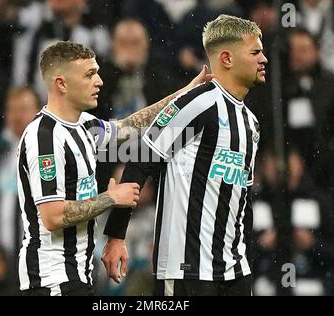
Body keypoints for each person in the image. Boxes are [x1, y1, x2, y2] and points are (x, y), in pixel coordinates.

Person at [17, 40, 212, 296]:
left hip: (75, 276)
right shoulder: (45, 138)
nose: (99, 81)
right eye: (89, 75)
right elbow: (52, 216)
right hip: (51, 281)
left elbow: (131, 125)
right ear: (61, 83)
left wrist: (185, 93)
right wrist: (111, 197)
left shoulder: (84, 125)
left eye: (97, 72)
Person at [102, 14, 268, 296]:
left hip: (236, 272)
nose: (263, 58)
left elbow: (243, 201)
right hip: (187, 270)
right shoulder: (195, 103)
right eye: (255, 52)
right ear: (226, 59)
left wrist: (247, 260)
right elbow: (141, 159)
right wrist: (116, 236)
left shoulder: (251, 122)